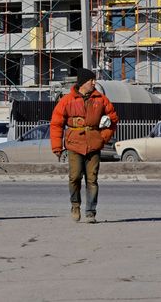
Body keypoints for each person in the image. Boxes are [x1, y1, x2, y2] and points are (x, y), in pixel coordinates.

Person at [50, 68, 118, 223]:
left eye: (94, 80)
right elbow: (56, 124)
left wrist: (103, 138)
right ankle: (75, 206)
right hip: (74, 144)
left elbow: (113, 119)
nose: (94, 83)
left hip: (94, 144)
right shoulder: (67, 100)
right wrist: (57, 147)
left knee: (92, 180)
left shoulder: (100, 99)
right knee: (74, 177)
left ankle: (90, 212)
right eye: (91, 80)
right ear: (82, 83)